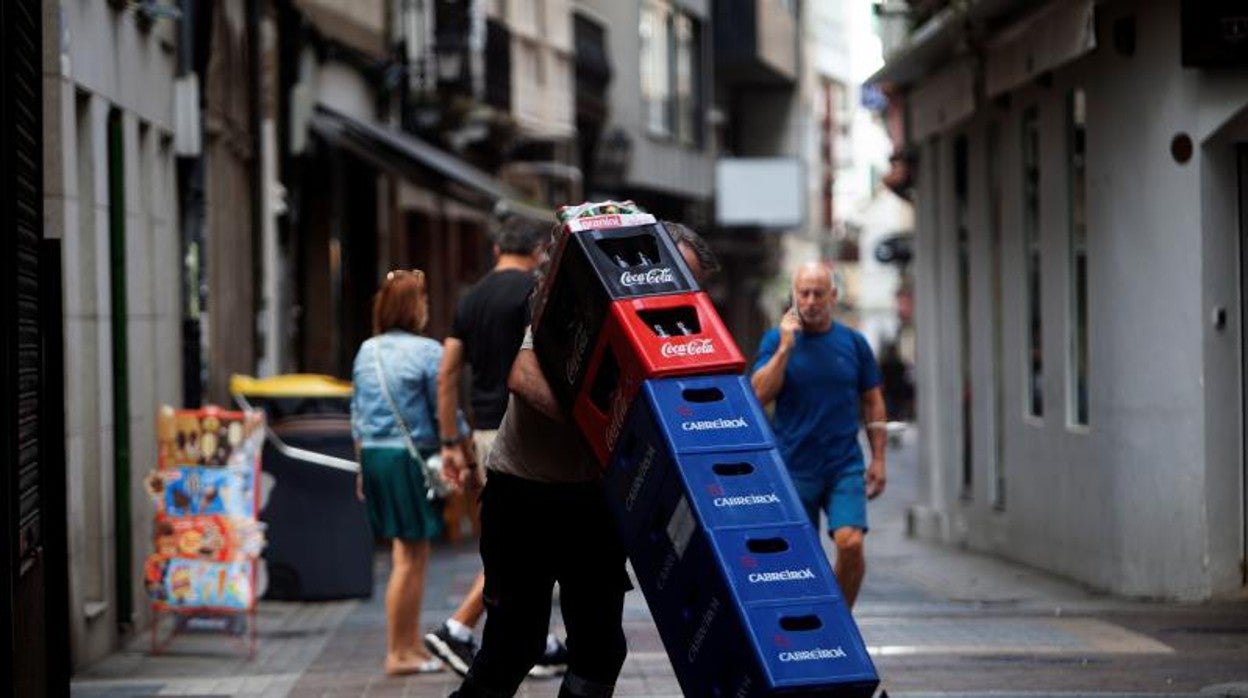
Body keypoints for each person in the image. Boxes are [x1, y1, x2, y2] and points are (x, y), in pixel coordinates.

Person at [445, 219, 718, 697]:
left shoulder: (677, 330)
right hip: (524, 493)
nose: (680, 292)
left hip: (593, 501)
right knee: (514, 644)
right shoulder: (580, 304)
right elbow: (523, 377)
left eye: (690, 285)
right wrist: (601, 427)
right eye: (676, 275)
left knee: (600, 648)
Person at [425, 215, 569, 678]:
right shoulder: (536, 291)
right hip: (522, 431)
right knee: (526, 541)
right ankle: (460, 627)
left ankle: (529, 638)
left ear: (495, 251)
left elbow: (447, 371)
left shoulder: (472, 297)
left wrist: (450, 440)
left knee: (518, 540)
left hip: (481, 431)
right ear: (538, 251)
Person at [350, 268, 469, 675]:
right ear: (414, 305)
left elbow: (357, 414)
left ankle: (410, 645)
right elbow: (445, 409)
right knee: (409, 556)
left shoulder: (367, 350)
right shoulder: (426, 351)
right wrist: (458, 446)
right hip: (408, 457)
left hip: (376, 457)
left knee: (411, 555)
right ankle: (397, 653)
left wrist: (362, 469)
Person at [750, 262, 887, 610]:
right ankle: (811, 622)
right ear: (794, 296)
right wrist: (784, 348)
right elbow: (757, 395)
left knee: (851, 543)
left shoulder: (853, 343)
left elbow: (873, 400)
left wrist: (880, 459)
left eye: (818, 293)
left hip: (843, 465)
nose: (810, 301)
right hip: (794, 467)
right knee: (801, 557)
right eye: (803, 293)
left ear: (833, 296)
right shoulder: (776, 340)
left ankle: (839, 619)